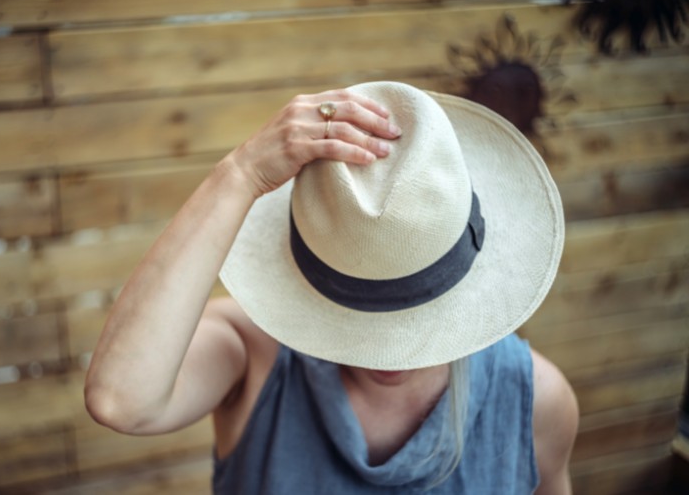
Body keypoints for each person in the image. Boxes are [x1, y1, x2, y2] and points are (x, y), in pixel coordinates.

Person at [84, 81, 579, 494]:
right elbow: (120, 400)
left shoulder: (536, 400)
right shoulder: (252, 356)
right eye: (361, 312)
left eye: (414, 312)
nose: (391, 355)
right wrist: (239, 174)